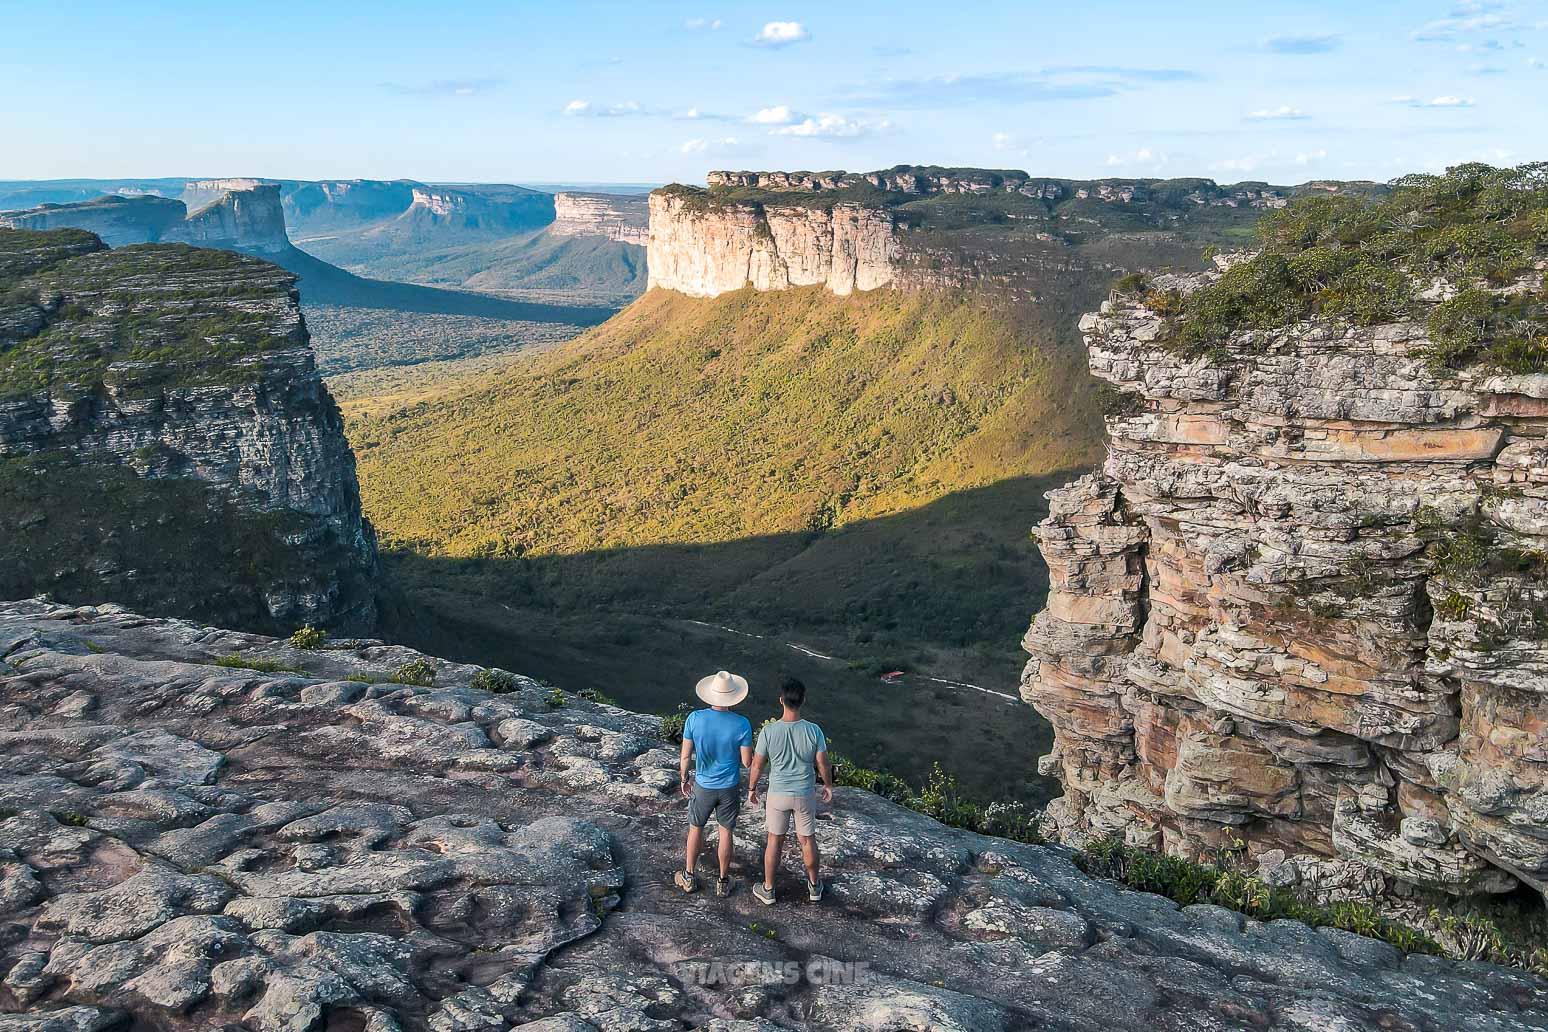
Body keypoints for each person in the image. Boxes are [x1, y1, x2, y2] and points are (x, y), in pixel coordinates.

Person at [746, 677, 833, 905]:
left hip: (777, 794)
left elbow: (757, 764)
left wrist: (752, 788)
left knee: (774, 841)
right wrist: (828, 784)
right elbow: (823, 763)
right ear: (803, 700)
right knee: (807, 840)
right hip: (804, 793)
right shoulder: (814, 731)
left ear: (781, 700)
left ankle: (769, 889)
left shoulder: (769, 731)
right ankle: (814, 887)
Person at [676, 669, 754, 897]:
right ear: (733, 696)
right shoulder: (742, 724)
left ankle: (689, 876)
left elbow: (685, 756)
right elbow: (747, 762)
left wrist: (684, 778)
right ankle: (722, 881)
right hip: (729, 786)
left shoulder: (694, 719)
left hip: (703, 785)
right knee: (726, 832)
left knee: (695, 828)